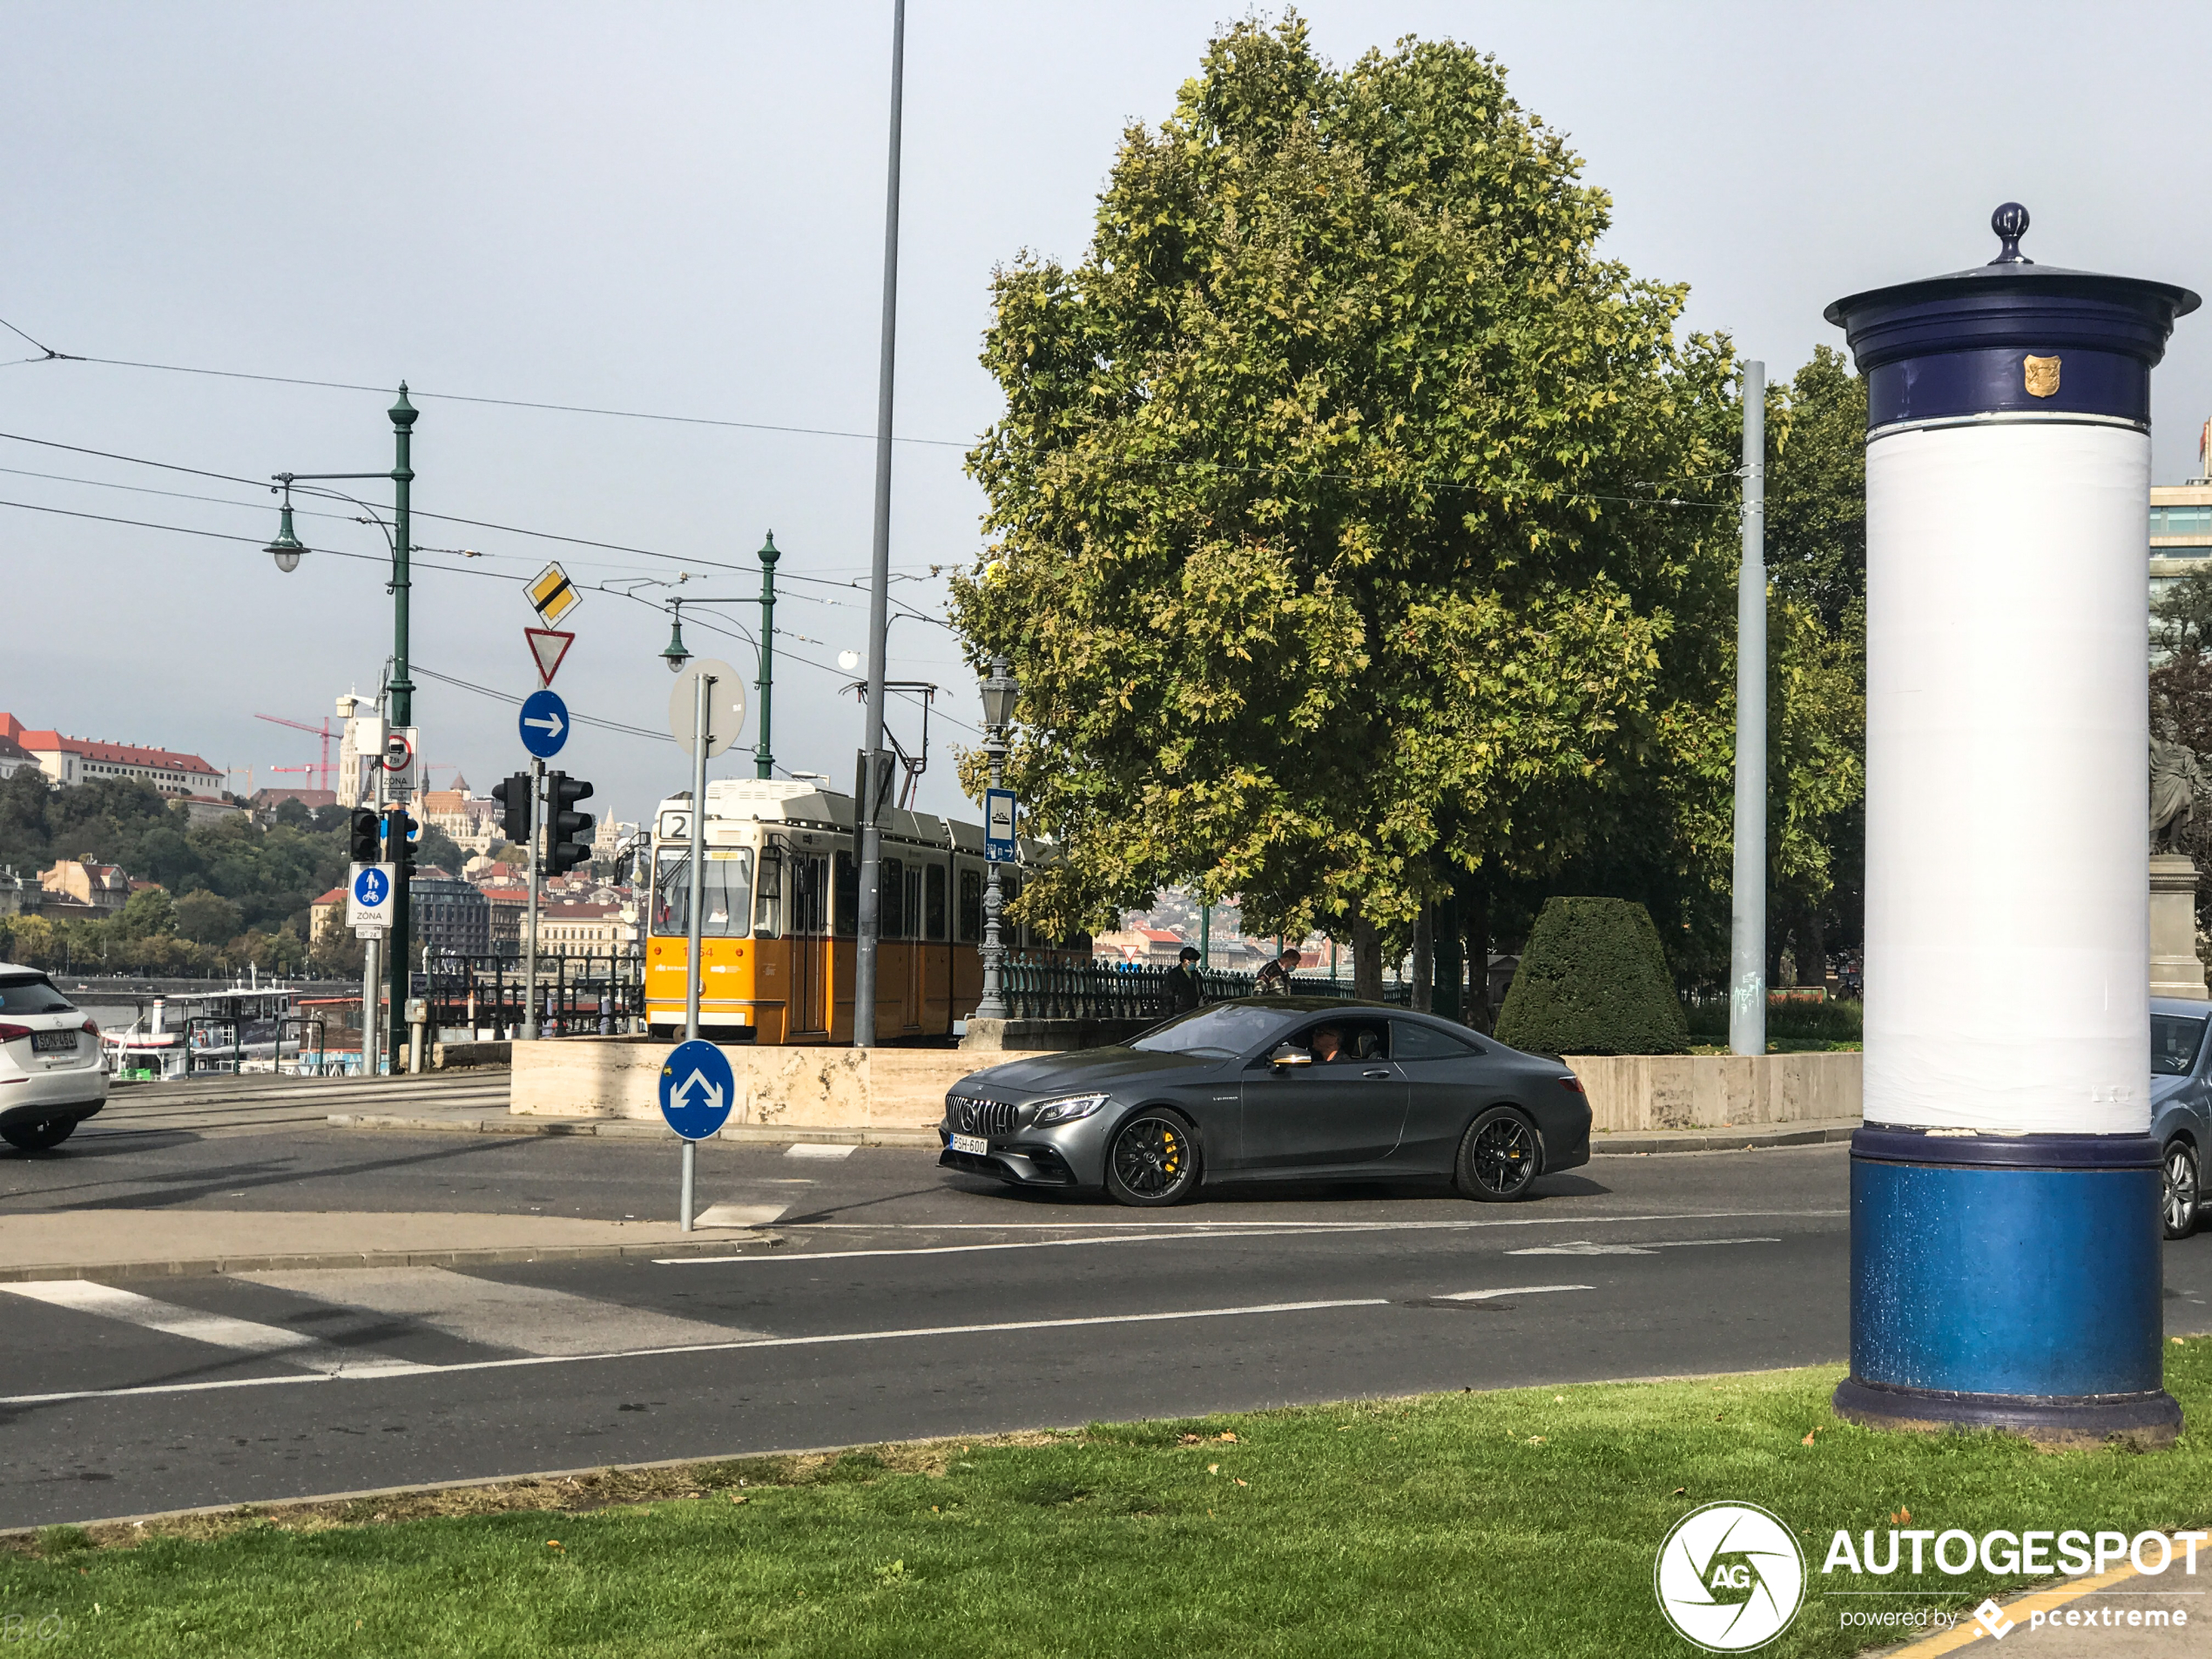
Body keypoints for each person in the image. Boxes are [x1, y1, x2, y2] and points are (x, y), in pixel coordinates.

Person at [1165, 946, 1204, 1015]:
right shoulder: (1173, 975)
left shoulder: (1196, 975)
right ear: (1186, 961)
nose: (1195, 964)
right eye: (1193, 961)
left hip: (1194, 1012)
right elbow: (1168, 997)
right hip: (1179, 1013)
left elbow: (1201, 993)